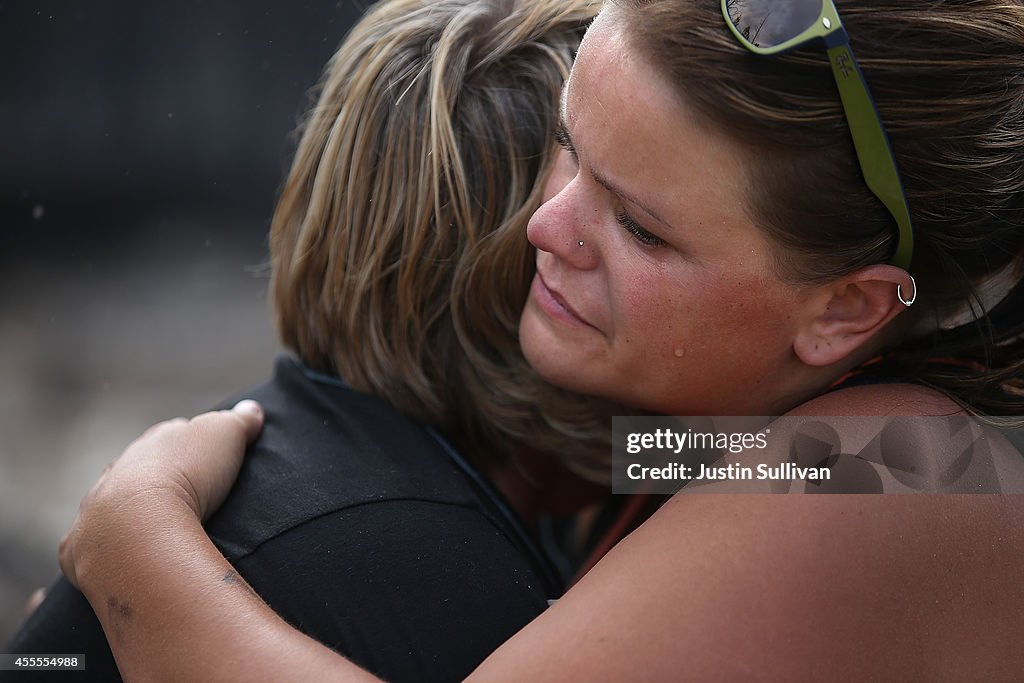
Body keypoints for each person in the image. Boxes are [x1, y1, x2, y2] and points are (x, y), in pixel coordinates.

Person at [33, 0, 1024, 679]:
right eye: (567, 144)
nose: (541, 226)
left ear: (848, 310)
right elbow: (646, 462)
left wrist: (135, 541)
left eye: (639, 225)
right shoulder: (788, 445)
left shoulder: (906, 465)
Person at [2, 1, 632, 681]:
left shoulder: (272, 453)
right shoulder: (443, 575)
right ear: (543, 285)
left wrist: (131, 538)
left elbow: (42, 661)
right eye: (637, 225)